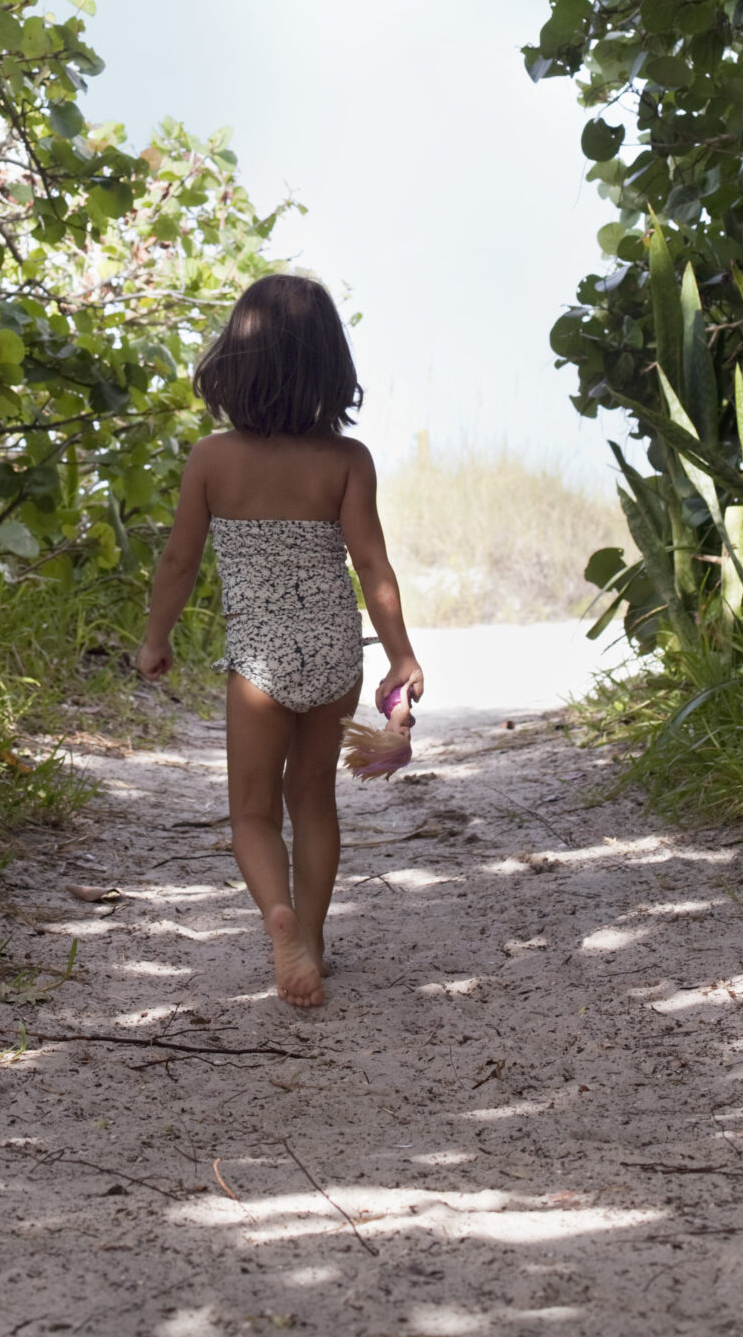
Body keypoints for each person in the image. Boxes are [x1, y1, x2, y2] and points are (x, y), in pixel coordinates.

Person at [136, 273, 423, 1009]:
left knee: (252, 812)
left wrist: (155, 637)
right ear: (330, 368)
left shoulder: (212, 459)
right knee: (314, 802)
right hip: (332, 656)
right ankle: (315, 940)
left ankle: (277, 918)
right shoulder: (346, 461)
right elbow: (371, 565)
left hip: (258, 664)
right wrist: (400, 654)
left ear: (233, 362)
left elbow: (179, 561)